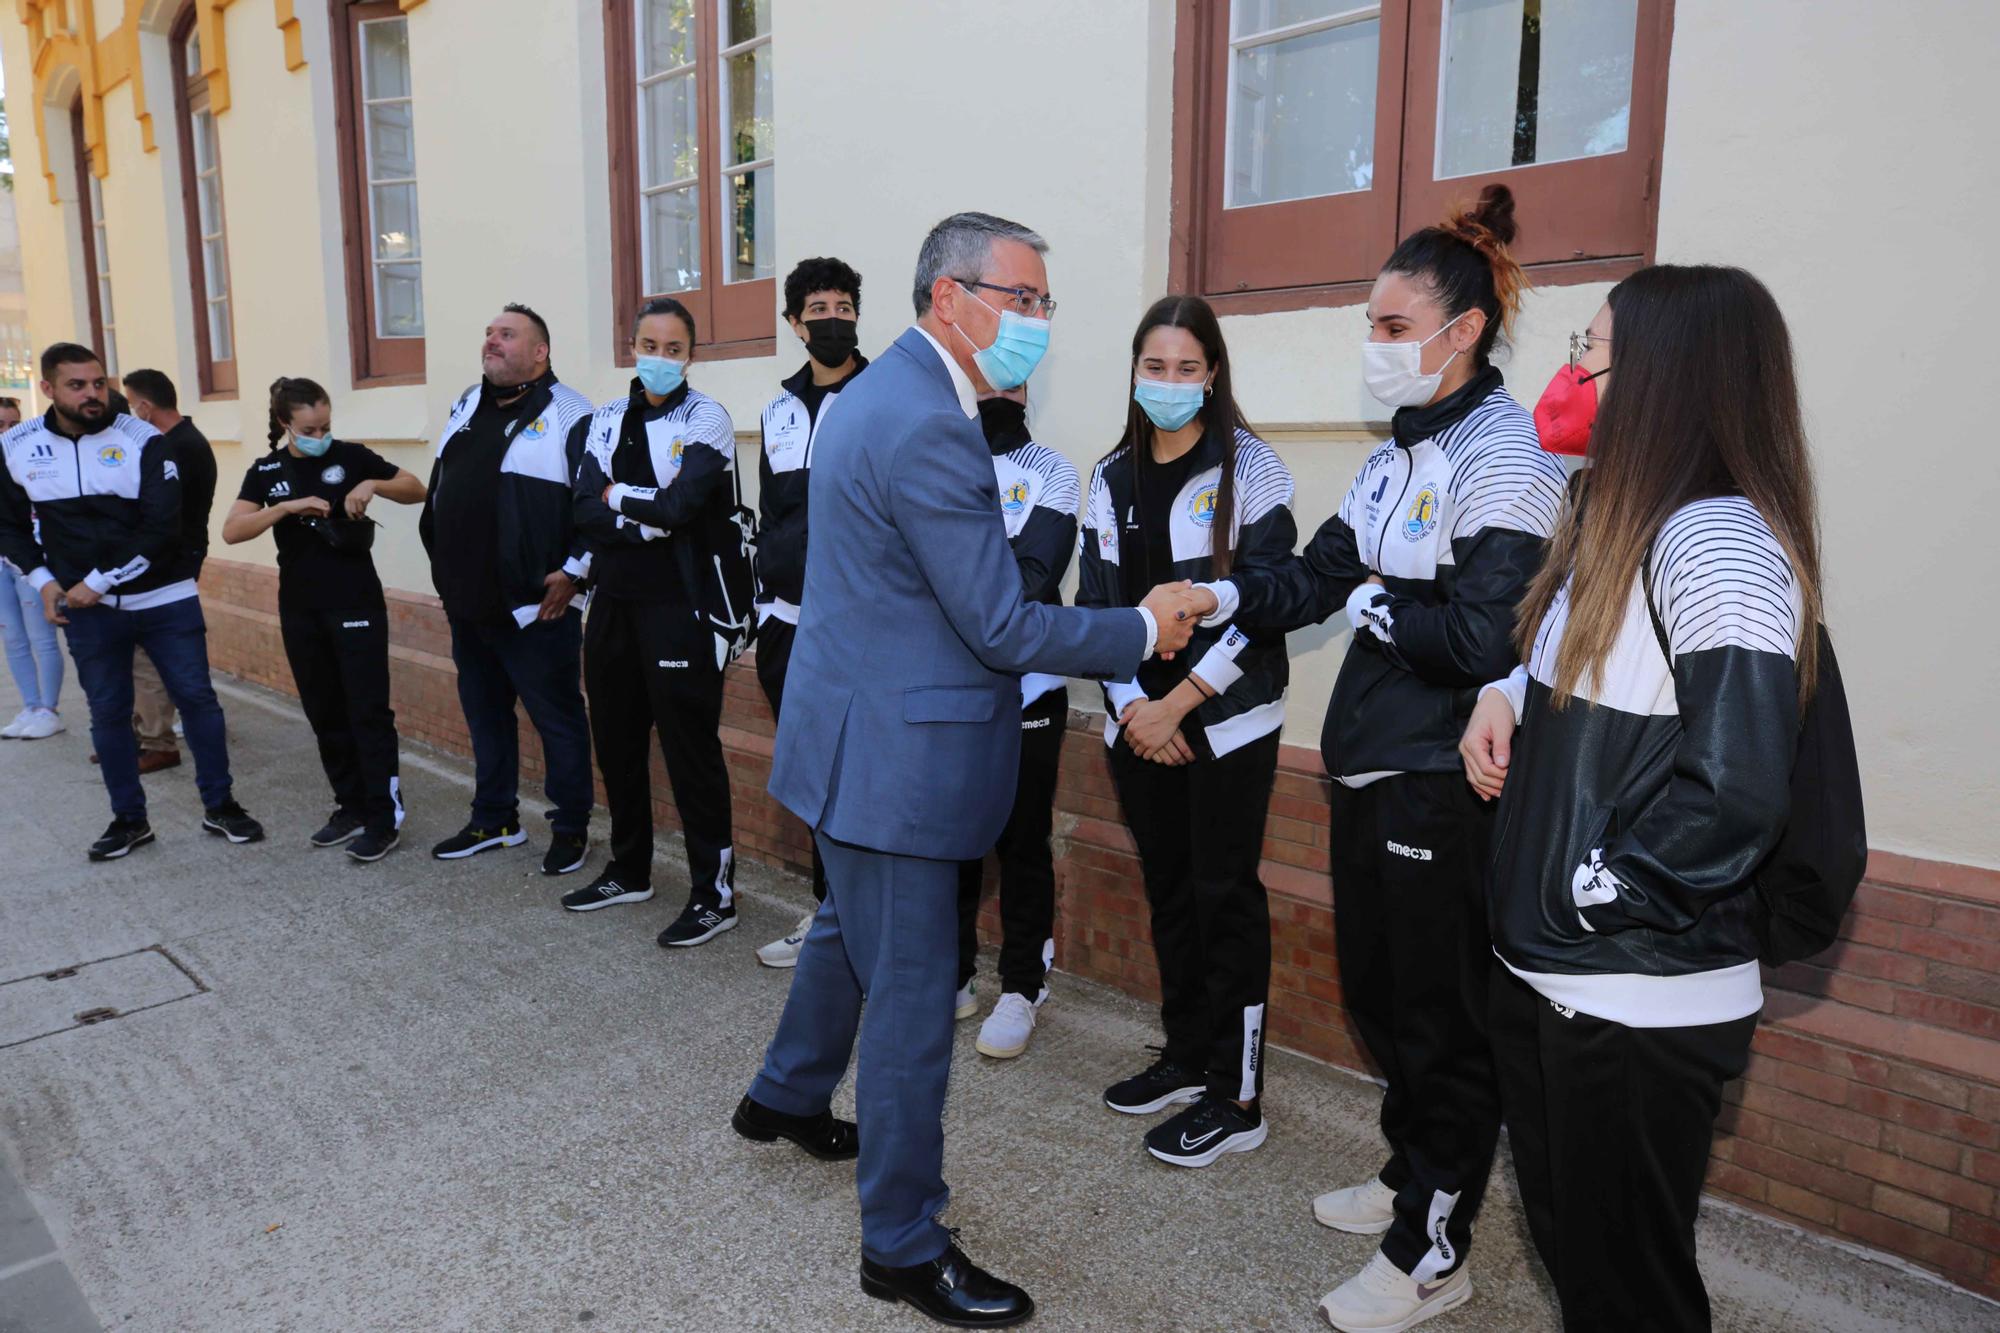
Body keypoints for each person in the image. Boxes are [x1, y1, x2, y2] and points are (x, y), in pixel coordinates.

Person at [736, 212, 1199, 1329]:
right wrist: (1136, 629)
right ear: (952, 297)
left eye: (1044, 303)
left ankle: (783, 1096)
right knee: (907, 1002)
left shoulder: (875, 396)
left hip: (854, 738)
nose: (1038, 322)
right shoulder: (929, 426)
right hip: (897, 760)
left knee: (853, 930)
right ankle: (898, 1242)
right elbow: (997, 621)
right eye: (1023, 299)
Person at [1178, 185, 1565, 1330]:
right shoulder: (1399, 454)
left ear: (1463, 331)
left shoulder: (1506, 454)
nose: (1374, 345)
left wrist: (1380, 594)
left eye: (1393, 327)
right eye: (1371, 323)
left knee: (1439, 1018)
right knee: (1382, 1000)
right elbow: (1316, 575)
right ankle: (1413, 1174)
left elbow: (1480, 634)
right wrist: (1223, 589)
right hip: (1366, 761)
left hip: (1442, 779)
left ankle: (1429, 1250)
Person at [1461, 265, 1821, 1332]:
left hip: (1628, 994)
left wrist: (1597, 890)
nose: (1568, 371)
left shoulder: (1713, 541)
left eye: (1591, 348)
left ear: (1665, 374)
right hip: (1559, 977)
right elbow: (1590, 667)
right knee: (1581, 1265)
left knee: (1629, 1291)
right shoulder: (1617, 519)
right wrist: (1502, 694)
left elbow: (1737, 787)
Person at [1078, 296, 1296, 1166]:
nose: (1169, 383)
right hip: (1138, 724)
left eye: (1186, 368)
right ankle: (1186, 1054)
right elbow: (1096, 607)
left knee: (1224, 898)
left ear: (1213, 374)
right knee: (1170, 891)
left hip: (1227, 726)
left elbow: (1272, 600)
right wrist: (1136, 704)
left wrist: (1183, 702)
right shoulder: (1109, 475)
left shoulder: (1253, 470)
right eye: (1153, 367)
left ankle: (1238, 1096)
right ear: (1135, 373)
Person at [0, 343, 262, 859]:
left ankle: (222, 806)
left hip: (164, 598)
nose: (93, 394)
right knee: (108, 714)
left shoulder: (144, 440)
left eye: (99, 383)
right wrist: (44, 582)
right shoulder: (18, 446)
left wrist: (97, 580)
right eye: (78, 385)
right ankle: (129, 821)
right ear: (49, 389)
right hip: (88, 611)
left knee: (197, 699)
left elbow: (162, 528)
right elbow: (9, 528)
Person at [562, 297, 742, 945]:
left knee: (690, 750)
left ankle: (714, 895)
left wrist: (620, 502)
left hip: (680, 606)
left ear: (690, 355)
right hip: (611, 602)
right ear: (630, 347)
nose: (660, 358)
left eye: (674, 348)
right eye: (649, 345)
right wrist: (637, 517)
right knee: (614, 740)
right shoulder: (604, 419)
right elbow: (583, 506)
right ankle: (630, 867)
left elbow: (683, 507)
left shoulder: (708, 418)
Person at [418, 305, 596, 877]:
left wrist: (575, 571)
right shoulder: (466, 403)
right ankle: (495, 819)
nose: (491, 341)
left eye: (507, 334)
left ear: (540, 352)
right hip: (469, 601)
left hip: (535, 610)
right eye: (490, 332)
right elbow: (445, 485)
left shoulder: (574, 414)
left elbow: (594, 506)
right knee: (484, 714)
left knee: (558, 721)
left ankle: (570, 828)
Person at [222, 377, 425, 862]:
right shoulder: (267, 470)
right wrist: (285, 507)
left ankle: (383, 817)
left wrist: (373, 483)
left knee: (367, 711)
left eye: (327, 425)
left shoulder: (353, 457)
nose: (321, 434)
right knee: (324, 711)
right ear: (285, 425)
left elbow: (416, 489)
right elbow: (232, 530)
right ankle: (350, 805)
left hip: (355, 603)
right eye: (310, 427)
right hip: (300, 606)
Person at [953, 384, 1081, 1057]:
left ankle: (1023, 983)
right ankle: (953, 974)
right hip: (950, 690)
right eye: (982, 373)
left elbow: (1033, 575)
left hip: (1028, 691)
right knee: (954, 840)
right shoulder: (935, 459)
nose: (994, 390)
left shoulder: (1052, 470)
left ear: (1030, 386)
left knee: (1022, 841)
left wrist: (956, 579)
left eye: (1010, 376)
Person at [752, 256, 867, 968]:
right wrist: (765, 608)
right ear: (795, 324)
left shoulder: (885, 394)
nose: (831, 318)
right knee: (814, 782)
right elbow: (774, 513)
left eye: (843, 305)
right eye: (816, 309)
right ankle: (830, 917)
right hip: (787, 626)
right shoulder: (779, 410)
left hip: (856, 631)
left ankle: (860, 922)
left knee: (857, 779)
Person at [119, 368, 218, 773]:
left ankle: (157, 739)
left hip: (168, 566)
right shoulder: (177, 441)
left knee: (150, 656)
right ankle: (146, 734)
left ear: (144, 405)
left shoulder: (179, 447)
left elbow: (165, 514)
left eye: (130, 405)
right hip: (166, 560)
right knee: (141, 655)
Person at [0, 395, 67, 739]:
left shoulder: (30, 458)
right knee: (12, 637)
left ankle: (49, 709)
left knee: (41, 636)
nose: (7, 431)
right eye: (0, 425)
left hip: (30, 559)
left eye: (13, 424)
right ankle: (30, 706)